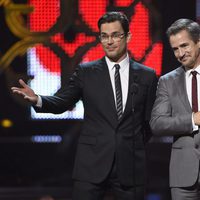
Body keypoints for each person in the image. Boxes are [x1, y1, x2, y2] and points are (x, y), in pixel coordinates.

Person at [12, 12, 157, 200]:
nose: (109, 41)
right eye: (104, 36)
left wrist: (130, 142)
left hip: (130, 166)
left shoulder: (147, 75)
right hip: (92, 165)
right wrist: (38, 99)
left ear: (128, 36)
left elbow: (149, 122)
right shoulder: (86, 72)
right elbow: (63, 101)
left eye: (115, 35)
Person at [150, 18, 200, 200]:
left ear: (198, 41)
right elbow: (157, 123)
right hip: (183, 175)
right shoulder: (167, 81)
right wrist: (192, 119)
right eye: (175, 49)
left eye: (184, 46)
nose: (180, 53)